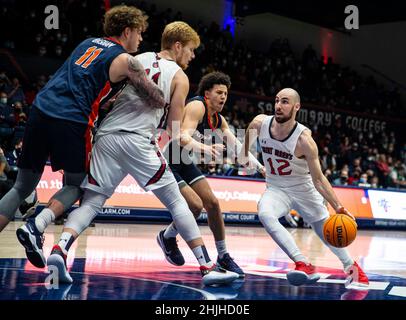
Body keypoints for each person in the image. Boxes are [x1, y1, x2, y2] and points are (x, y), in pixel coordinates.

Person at [46, 21, 239, 286]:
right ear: (178, 45)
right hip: (138, 141)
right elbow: (173, 129)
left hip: (107, 136)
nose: (192, 56)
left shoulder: (135, 58)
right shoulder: (180, 77)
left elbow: (108, 95)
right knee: (178, 203)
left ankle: (60, 249)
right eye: (191, 50)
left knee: (92, 201)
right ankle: (207, 267)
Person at [12, 5, 162, 268]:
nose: (140, 39)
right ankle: (36, 225)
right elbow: (156, 97)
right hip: (72, 118)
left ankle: (35, 226)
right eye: (139, 33)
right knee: (78, 184)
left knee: (21, 186)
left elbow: (85, 80)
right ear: (127, 30)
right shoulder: (128, 60)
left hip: (40, 108)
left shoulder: (87, 42)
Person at [239, 88, 369, 289]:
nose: (278, 106)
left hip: (304, 190)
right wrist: (260, 167)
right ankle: (303, 264)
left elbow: (318, 179)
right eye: (276, 101)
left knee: (326, 231)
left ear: (296, 107)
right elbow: (243, 153)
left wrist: (338, 206)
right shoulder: (258, 124)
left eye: (285, 102)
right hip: (276, 189)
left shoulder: (304, 140)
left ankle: (352, 269)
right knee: (265, 214)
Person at [157, 71, 265, 278]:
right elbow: (182, 136)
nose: (223, 97)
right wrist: (203, 148)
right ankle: (168, 237)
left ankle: (223, 255)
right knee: (196, 206)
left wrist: (261, 168)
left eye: (225, 93)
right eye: (219, 92)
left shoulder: (218, 119)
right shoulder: (197, 106)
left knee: (213, 204)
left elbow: (238, 148)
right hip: (170, 160)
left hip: (184, 161)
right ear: (207, 94)